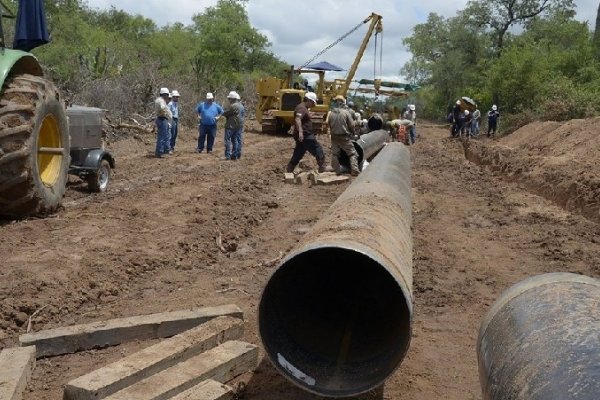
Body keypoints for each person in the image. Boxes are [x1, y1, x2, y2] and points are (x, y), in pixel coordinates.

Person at [286, 92, 332, 173]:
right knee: (317, 148)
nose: (313, 105)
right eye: (313, 103)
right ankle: (322, 166)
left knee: (299, 152)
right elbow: (297, 119)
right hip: (305, 134)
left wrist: (309, 115)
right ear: (309, 100)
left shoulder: (303, 108)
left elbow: (302, 117)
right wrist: (300, 132)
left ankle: (290, 168)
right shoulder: (302, 108)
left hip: (302, 135)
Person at [326, 95, 359, 176]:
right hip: (344, 137)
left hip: (334, 136)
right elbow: (352, 125)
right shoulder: (346, 113)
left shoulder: (330, 113)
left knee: (335, 154)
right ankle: (354, 170)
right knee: (352, 153)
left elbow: (327, 124)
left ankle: (336, 170)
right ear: (344, 103)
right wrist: (352, 131)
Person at [222, 91, 245, 160]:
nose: (229, 100)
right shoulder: (241, 106)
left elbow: (227, 113)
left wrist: (222, 112)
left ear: (233, 99)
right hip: (239, 126)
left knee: (227, 140)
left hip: (231, 126)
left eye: (229, 99)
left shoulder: (233, 106)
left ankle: (228, 155)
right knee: (235, 140)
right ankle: (235, 154)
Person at [154, 87, 173, 158]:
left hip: (161, 119)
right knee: (162, 136)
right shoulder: (161, 101)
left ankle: (164, 151)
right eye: (166, 94)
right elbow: (162, 108)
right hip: (162, 119)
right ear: (164, 94)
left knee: (164, 136)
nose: (167, 96)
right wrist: (166, 113)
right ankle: (159, 152)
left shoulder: (158, 100)